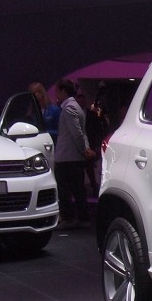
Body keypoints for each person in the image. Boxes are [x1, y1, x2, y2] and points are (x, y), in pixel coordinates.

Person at [53, 78, 95, 228]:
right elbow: (83, 133)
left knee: (65, 190)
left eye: (57, 91)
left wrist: (84, 150)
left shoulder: (69, 108)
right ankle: (82, 218)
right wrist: (86, 148)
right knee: (78, 189)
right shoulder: (75, 107)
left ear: (63, 91)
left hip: (67, 156)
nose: (56, 94)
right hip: (73, 156)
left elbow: (77, 133)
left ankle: (69, 218)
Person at [84, 93, 112, 196]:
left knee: (98, 167)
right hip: (94, 143)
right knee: (91, 167)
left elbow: (102, 130)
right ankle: (95, 186)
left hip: (99, 143)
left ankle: (99, 187)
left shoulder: (100, 118)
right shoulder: (91, 116)